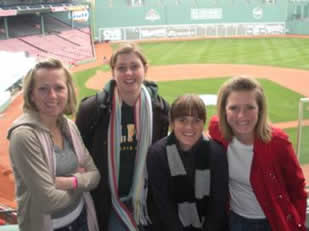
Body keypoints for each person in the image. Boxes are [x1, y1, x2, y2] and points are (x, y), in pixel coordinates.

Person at [75, 43, 169, 231]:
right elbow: (79, 155)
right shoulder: (92, 109)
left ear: (145, 69)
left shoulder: (160, 109)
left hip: (145, 201)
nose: (128, 73)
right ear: (113, 72)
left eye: (134, 66)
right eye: (121, 68)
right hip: (108, 202)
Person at [7, 58, 100, 231]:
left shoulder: (69, 126)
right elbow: (48, 201)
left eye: (59, 87)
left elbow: (95, 176)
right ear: (32, 94)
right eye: (43, 89)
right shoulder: (24, 136)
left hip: (82, 218)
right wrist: (81, 183)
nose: (52, 96)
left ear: (68, 91)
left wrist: (68, 182)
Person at [208, 76, 307, 231]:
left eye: (250, 107)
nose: (242, 115)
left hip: (273, 222)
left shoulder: (278, 143)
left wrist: (296, 221)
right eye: (234, 108)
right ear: (224, 111)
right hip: (235, 221)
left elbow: (297, 187)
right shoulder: (218, 131)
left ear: (260, 109)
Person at [147, 94, 229, 231]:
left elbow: (218, 204)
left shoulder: (217, 153)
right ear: (172, 123)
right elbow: (164, 205)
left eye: (196, 120)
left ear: (203, 123)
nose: (189, 127)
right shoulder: (157, 154)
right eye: (182, 120)